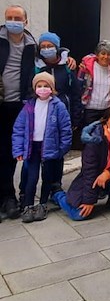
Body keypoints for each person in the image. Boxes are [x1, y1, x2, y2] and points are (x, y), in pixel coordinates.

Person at [53, 106, 110, 220]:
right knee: (77, 215)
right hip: (93, 179)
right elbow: (89, 171)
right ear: (106, 120)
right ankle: (58, 195)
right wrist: (89, 201)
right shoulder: (95, 139)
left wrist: (108, 173)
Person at [13, 73, 72, 223]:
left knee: (47, 177)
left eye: (46, 86)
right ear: (35, 88)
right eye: (39, 86)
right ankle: (28, 204)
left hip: (50, 148)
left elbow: (65, 129)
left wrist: (62, 149)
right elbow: (19, 129)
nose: (43, 89)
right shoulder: (29, 106)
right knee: (31, 178)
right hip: (33, 147)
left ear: (52, 88)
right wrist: (18, 149)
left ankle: (43, 203)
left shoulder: (58, 106)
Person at [0, 5, 37, 219]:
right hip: (0, 102)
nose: (13, 21)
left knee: (10, 152)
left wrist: (65, 57)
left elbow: (51, 54)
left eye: (18, 18)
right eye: (9, 17)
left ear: (26, 21)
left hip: (18, 105)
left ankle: (8, 196)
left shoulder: (31, 44)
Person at [35, 32, 82, 127]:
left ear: (56, 47)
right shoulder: (36, 67)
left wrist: (76, 118)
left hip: (65, 113)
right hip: (42, 116)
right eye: (43, 46)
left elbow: (76, 93)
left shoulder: (68, 66)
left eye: (49, 46)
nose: (46, 49)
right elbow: (30, 93)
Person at [78, 40, 110, 126]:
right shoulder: (87, 67)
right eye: (103, 53)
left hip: (107, 110)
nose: (106, 57)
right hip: (90, 110)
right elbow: (79, 86)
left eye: (109, 54)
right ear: (97, 54)